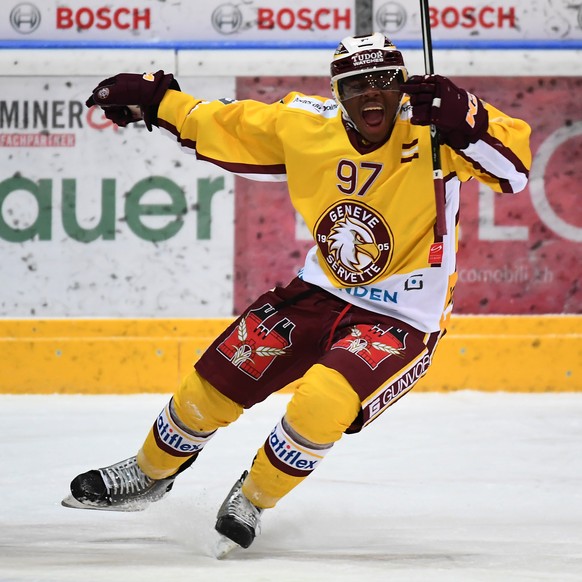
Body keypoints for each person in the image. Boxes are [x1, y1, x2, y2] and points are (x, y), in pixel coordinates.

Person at [63, 33, 532, 553]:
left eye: (384, 81)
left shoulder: (439, 125)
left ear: (403, 86)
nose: (371, 95)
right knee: (213, 385)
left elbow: (514, 173)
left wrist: (469, 120)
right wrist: (159, 103)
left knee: (322, 401)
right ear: (336, 93)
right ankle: (149, 473)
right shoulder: (307, 125)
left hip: (404, 314)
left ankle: (254, 498)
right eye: (356, 85)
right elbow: (229, 126)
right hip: (320, 291)